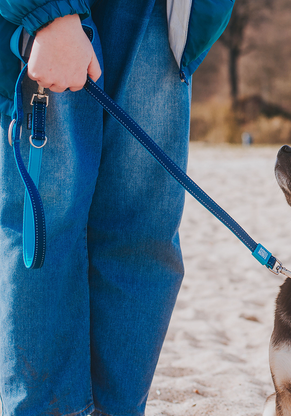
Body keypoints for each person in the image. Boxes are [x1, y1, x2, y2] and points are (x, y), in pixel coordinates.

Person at [0, 1, 232, 415]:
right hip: (54, 18)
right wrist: (47, 10)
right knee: (45, 227)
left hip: (163, 16)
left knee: (143, 235)